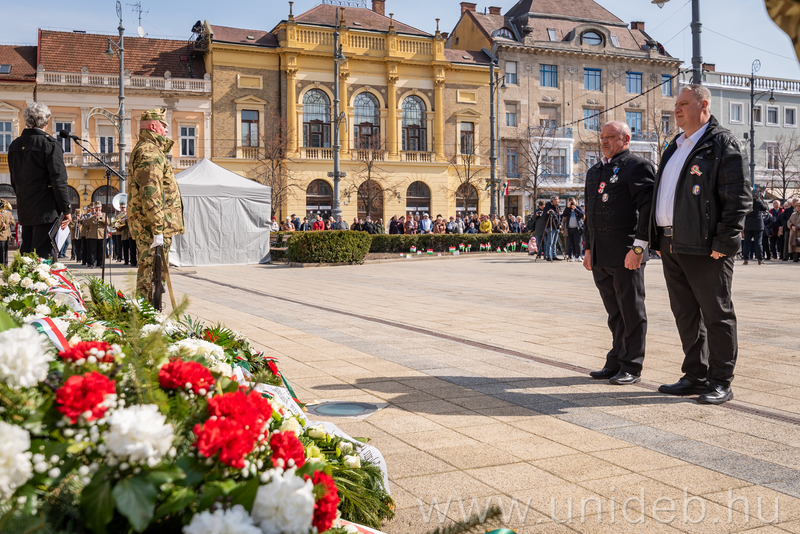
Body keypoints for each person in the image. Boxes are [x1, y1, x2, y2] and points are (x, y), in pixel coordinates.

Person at [649, 85, 751, 405]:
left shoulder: (721, 143)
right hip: (671, 242)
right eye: (676, 104)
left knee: (716, 314)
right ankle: (695, 374)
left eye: (683, 103)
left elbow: (738, 197)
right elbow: (662, 193)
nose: (676, 109)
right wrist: (655, 237)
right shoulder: (675, 145)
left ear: (703, 105)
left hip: (706, 246)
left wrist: (726, 240)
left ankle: (720, 381)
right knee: (685, 314)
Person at [584, 121, 655, 385]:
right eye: (602, 136)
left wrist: (638, 248)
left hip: (627, 253)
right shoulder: (595, 171)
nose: (604, 141)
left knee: (631, 311)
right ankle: (616, 359)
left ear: (626, 139)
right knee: (615, 313)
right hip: (600, 254)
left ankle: (632, 365)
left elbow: (647, 210)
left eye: (610, 136)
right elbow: (590, 212)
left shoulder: (637, 166)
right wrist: (588, 248)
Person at [127, 108, 185, 302]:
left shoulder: (148, 149)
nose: (166, 130)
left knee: (153, 275)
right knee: (151, 275)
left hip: (150, 225)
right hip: (151, 227)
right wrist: (158, 228)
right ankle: (147, 314)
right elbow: (150, 193)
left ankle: (148, 312)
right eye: (164, 126)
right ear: (153, 126)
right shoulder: (150, 152)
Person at [7, 102, 71, 259]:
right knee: (44, 257)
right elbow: (59, 181)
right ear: (47, 121)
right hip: (46, 210)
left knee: (27, 255)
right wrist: (66, 210)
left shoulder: (14, 145)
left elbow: (14, 180)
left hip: (25, 209)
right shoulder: (50, 144)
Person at [742, 191, 768, 265]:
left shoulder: (746, 201)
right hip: (757, 225)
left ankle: (746, 259)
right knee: (758, 243)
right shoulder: (758, 201)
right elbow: (764, 208)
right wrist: (761, 199)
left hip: (747, 224)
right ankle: (760, 259)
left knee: (747, 243)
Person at [542, 196, 562, 261]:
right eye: (557, 200)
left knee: (554, 242)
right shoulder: (548, 206)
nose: (558, 201)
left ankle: (554, 255)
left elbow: (558, 217)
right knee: (550, 242)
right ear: (553, 200)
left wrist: (560, 224)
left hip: (557, 226)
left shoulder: (557, 207)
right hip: (550, 226)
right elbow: (544, 216)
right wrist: (548, 213)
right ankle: (548, 256)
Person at [0, 200, 14, 265]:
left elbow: (13, 223)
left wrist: (7, 223)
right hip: (1, 235)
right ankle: (2, 263)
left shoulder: (8, 213)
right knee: (1, 250)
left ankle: (5, 263)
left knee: (5, 249)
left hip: (7, 234)